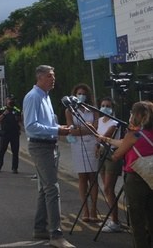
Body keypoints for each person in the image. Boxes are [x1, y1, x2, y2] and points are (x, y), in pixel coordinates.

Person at [23, 65, 75, 248]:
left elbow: (46, 122)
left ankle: (40, 228)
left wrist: (59, 128)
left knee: (45, 189)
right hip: (40, 147)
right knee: (52, 189)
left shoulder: (45, 96)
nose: (53, 79)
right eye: (49, 76)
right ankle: (56, 234)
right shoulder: (33, 97)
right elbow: (31, 126)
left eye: (53, 76)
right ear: (40, 78)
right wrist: (57, 130)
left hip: (49, 145)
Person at [99, 101, 153, 248]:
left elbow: (117, 155)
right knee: (150, 217)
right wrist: (108, 139)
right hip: (150, 178)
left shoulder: (133, 134)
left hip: (136, 180)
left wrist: (107, 149)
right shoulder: (144, 134)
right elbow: (125, 143)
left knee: (137, 220)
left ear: (138, 116)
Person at [65, 83, 99, 223]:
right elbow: (71, 130)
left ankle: (94, 209)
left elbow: (96, 127)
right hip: (78, 146)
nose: (81, 96)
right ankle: (85, 209)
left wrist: (81, 129)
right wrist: (87, 129)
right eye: (79, 93)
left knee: (93, 177)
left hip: (92, 144)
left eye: (84, 94)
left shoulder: (93, 110)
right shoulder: (69, 110)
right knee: (82, 177)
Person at [95, 96, 123, 233]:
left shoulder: (114, 123)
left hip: (112, 154)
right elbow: (97, 137)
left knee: (108, 188)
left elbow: (104, 137)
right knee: (106, 188)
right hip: (102, 154)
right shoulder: (100, 120)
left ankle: (115, 221)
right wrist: (96, 147)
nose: (105, 108)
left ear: (112, 108)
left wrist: (97, 138)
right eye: (103, 105)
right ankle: (113, 218)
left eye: (108, 106)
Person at [0, 95, 22, 174]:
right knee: (2, 151)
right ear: (6, 101)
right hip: (5, 133)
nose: (11, 101)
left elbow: (20, 121)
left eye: (13, 100)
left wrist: (19, 121)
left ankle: (15, 168)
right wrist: (3, 114)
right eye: (10, 100)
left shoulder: (17, 110)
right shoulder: (2, 109)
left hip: (14, 134)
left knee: (15, 151)